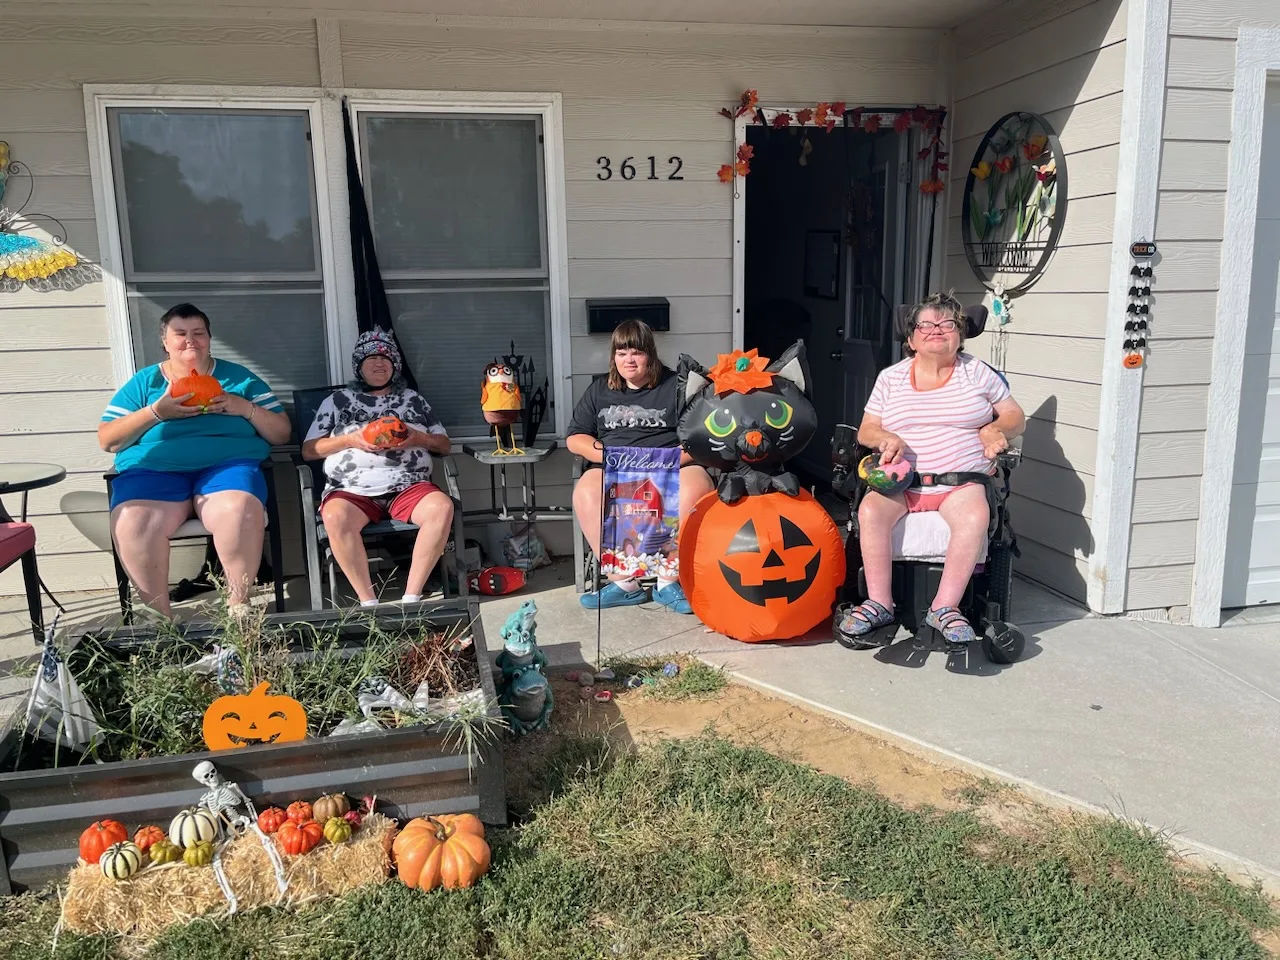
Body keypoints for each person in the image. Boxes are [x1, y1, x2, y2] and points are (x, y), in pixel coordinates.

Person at [839, 293, 1026, 645]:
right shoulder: (891, 378)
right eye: (925, 324)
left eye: (947, 324)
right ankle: (879, 601)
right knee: (870, 510)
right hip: (902, 481)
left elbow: (1016, 416)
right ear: (911, 339)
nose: (935, 330)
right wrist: (885, 438)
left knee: (974, 515)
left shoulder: (977, 373)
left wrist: (995, 429)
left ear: (960, 335)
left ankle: (945, 607)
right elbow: (867, 429)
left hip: (960, 483)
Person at [98, 303, 293, 618]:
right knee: (133, 520)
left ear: (209, 339)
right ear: (165, 342)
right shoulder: (145, 383)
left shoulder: (239, 379)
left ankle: (238, 606)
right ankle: (161, 619)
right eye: (180, 334)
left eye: (198, 333)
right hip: (155, 470)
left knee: (239, 510)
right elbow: (108, 439)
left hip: (225, 468)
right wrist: (156, 412)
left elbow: (282, 433)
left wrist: (243, 407)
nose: (190, 340)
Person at [568, 318, 715, 613]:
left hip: (671, 464)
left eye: (636, 352)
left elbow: (703, 435)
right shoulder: (599, 390)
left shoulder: (677, 387)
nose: (628, 361)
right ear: (614, 357)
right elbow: (575, 438)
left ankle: (668, 581)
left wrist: (671, 459)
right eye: (621, 354)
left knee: (696, 486)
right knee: (586, 490)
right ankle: (624, 583)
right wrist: (606, 454)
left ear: (650, 353)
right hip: (617, 467)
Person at [301, 329, 454, 606]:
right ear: (359, 366)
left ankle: (412, 597)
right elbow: (310, 450)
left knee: (441, 508)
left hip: (408, 485)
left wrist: (416, 437)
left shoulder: (414, 400)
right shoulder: (337, 402)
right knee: (335, 517)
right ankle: (369, 603)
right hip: (351, 489)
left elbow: (444, 445)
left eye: (385, 357)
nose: (378, 363)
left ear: (395, 365)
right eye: (370, 358)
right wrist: (351, 440)